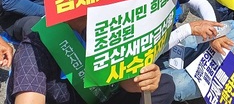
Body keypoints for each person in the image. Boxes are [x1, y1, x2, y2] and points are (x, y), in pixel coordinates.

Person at [5, 15, 174, 104]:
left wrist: (143, 80)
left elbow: (123, 82)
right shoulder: (35, 48)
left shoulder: (105, 28)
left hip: (98, 98)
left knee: (163, 85)